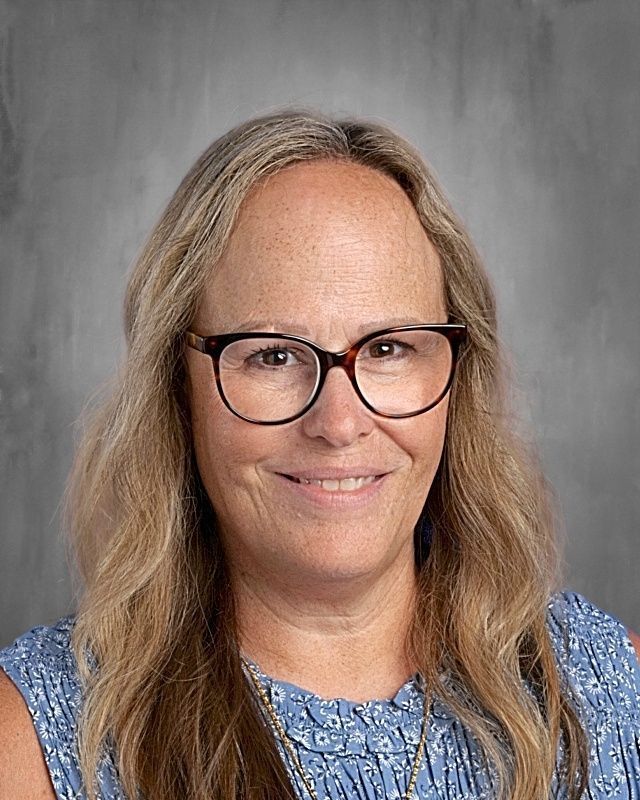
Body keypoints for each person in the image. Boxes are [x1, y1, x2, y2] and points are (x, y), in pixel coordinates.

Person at [0, 111, 638, 800]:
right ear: (177, 390)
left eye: (390, 348)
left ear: (456, 377)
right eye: (272, 355)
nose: (338, 423)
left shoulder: (612, 696)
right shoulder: (35, 741)